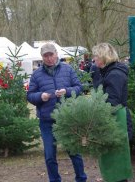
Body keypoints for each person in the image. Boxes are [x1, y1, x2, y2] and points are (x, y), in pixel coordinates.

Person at [27, 42, 87, 182]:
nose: (49, 58)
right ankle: (54, 180)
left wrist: (67, 91)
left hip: (68, 118)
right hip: (47, 121)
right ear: (42, 58)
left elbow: (79, 88)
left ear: (56, 54)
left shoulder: (68, 69)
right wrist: (40, 97)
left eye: (51, 54)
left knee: (74, 152)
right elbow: (30, 95)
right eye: (45, 56)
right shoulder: (36, 74)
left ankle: (81, 178)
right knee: (49, 155)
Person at [92, 42, 133, 182]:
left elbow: (112, 102)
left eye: (96, 56)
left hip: (117, 121)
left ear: (104, 57)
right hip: (110, 119)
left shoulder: (115, 74)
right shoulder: (104, 72)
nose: (94, 59)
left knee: (118, 163)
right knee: (110, 159)